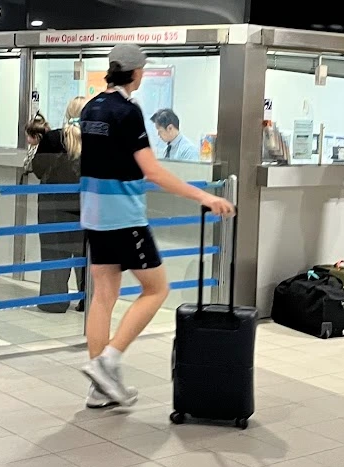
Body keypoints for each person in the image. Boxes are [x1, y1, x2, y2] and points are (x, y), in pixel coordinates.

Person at [80, 44, 235, 408]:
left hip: (93, 213)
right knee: (156, 289)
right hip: (124, 216)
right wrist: (203, 196)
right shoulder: (128, 111)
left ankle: (100, 388)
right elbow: (152, 171)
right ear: (136, 72)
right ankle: (108, 361)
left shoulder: (91, 108)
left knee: (103, 295)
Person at [30, 97, 86, 313]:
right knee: (85, 254)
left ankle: (54, 301)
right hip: (84, 206)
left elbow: (38, 169)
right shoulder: (96, 141)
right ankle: (87, 300)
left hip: (52, 206)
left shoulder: (53, 138)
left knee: (53, 253)